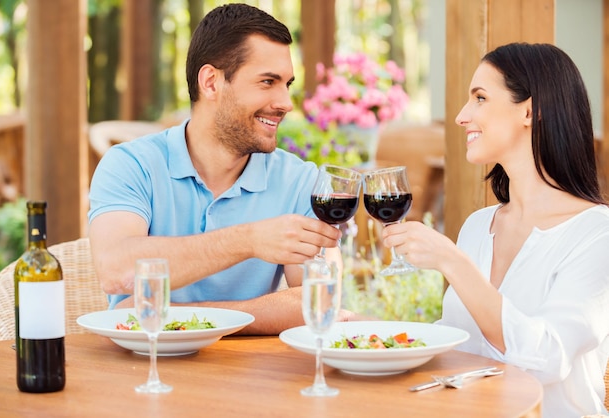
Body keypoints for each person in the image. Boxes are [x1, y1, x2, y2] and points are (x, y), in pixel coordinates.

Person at [87, 3, 349, 335]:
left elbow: (321, 301)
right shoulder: (131, 165)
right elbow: (116, 270)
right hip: (145, 369)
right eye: (268, 82)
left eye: (287, 84)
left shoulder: (302, 181)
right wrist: (249, 240)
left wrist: (184, 317)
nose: (285, 102)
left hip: (250, 378)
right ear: (211, 82)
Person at [381, 42, 609, 417]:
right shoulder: (478, 226)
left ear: (530, 111)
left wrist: (454, 263)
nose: (461, 116)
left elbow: (547, 359)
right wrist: (380, 338)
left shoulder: (595, 236)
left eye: (481, 98)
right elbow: (462, 342)